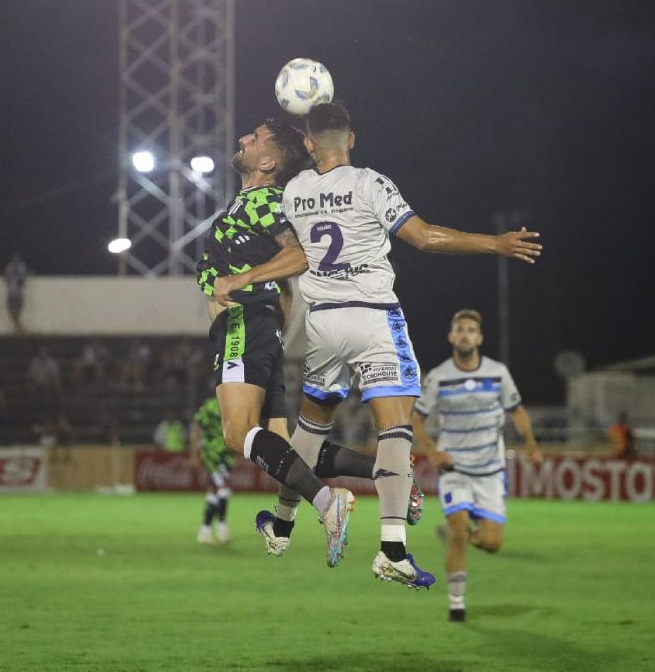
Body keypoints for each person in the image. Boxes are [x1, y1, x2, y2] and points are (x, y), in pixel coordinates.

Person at [214, 104, 541, 589]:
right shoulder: (371, 183)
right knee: (394, 431)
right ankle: (392, 550)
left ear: (308, 145)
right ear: (352, 140)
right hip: (373, 318)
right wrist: (495, 244)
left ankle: (283, 524)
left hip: (323, 325)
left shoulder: (296, 191)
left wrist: (242, 274)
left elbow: (285, 239)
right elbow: (426, 238)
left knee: (309, 429)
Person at [198, 117, 395, 569]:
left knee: (235, 433)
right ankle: (387, 473)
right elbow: (286, 280)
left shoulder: (263, 200)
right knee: (288, 448)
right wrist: (275, 320)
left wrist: (244, 283)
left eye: (256, 138)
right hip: (261, 329)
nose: (243, 138)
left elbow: (301, 254)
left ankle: (328, 504)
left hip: (242, 326)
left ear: (267, 161)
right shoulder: (248, 203)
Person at [412, 309, 543, 622]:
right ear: (451, 336)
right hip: (454, 469)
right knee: (459, 530)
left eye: (471, 330)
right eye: (459, 329)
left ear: (480, 338)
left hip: (490, 471)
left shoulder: (498, 373)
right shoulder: (439, 376)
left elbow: (517, 410)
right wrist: (431, 451)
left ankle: (458, 533)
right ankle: (456, 605)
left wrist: (532, 444)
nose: (465, 334)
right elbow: (417, 419)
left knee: (492, 543)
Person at [188, 398, 232, 544]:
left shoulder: (233, 404)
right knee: (222, 489)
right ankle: (220, 528)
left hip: (226, 454)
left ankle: (206, 530)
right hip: (211, 454)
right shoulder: (209, 406)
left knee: (214, 491)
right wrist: (194, 453)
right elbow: (197, 428)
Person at [4, 254, 29, 333]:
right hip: (11, 292)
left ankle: (18, 326)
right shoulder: (9, 267)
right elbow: (6, 278)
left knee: (18, 309)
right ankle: (18, 326)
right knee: (10, 309)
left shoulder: (21, 267)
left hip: (18, 292)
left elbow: (23, 279)